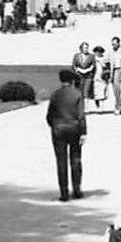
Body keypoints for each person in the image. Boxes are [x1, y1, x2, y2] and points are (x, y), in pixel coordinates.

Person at [45, 68, 86, 201]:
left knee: (61, 161)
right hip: (74, 128)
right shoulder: (77, 94)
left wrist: (54, 125)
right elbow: (81, 115)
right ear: (72, 80)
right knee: (75, 159)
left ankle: (64, 192)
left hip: (58, 129)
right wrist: (84, 132)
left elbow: (49, 115)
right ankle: (77, 189)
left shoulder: (55, 94)